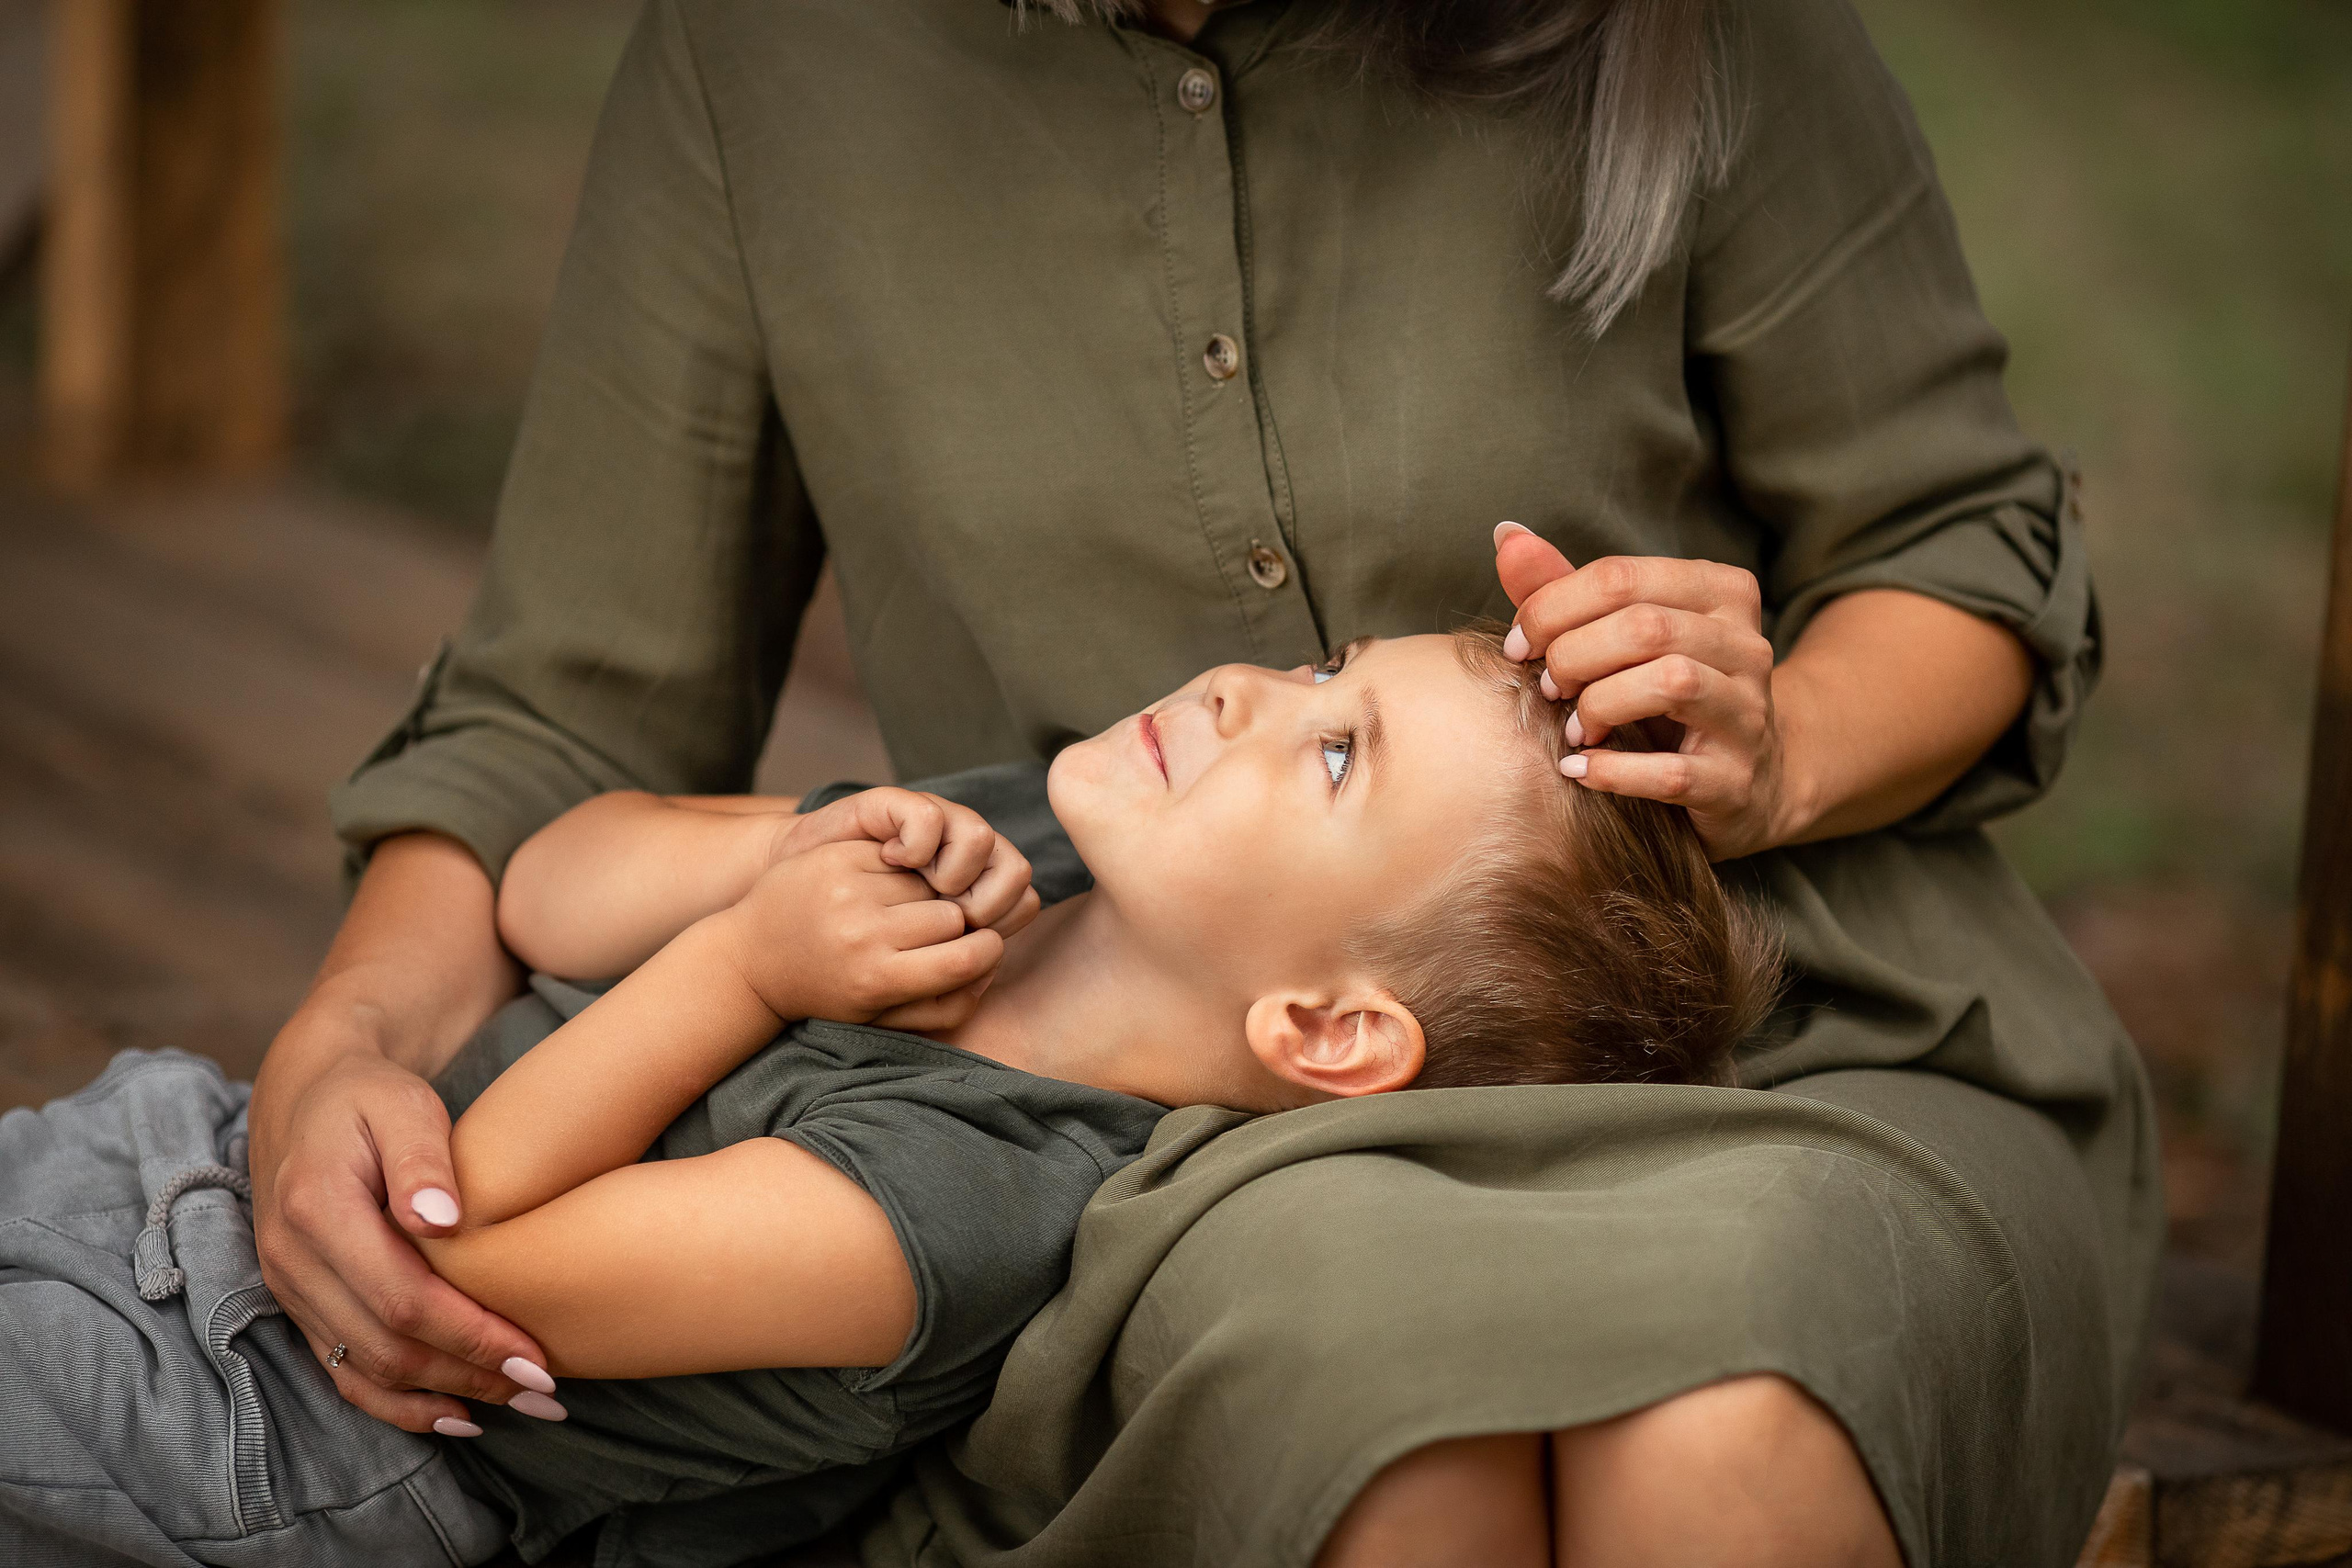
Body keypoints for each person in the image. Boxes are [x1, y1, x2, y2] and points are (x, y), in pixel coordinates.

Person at [250, 1, 2158, 1563]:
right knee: (1379, 1386)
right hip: (1189, 1135)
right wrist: (347, 1039)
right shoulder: (769, 63)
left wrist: (1782, 743)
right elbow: (564, 733)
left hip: (1822, 1042)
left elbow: (1953, 534)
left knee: (1736, 1405)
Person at [0, 630, 1772, 1567]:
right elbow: (546, 889)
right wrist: (794, 850)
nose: (1252, 683)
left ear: (1324, 1028)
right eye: (1327, 666)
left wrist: (749, 967)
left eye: (1332, 751)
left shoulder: (957, 1210)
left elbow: (462, 1258)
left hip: (260, 1430)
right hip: (184, 1159)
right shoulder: (1034, 848)